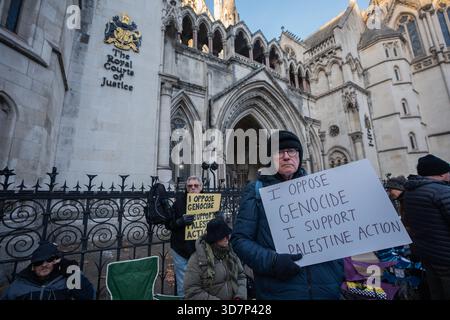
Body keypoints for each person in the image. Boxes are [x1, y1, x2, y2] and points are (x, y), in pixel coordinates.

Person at [231, 130, 344, 300]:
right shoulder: (256, 191)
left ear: (299, 156)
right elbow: (239, 240)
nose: (286, 156)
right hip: (279, 292)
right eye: (279, 152)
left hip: (326, 290)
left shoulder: (319, 190)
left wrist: (337, 271)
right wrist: (273, 262)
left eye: (292, 151)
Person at [403, 154, 450, 300]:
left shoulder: (409, 193)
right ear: (442, 173)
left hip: (428, 255)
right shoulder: (441, 192)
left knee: (437, 293)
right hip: (446, 257)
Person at [1, 241, 95, 300]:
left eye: (49, 260)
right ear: (32, 266)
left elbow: (87, 296)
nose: (44, 265)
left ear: (55, 262)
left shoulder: (65, 279)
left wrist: (72, 270)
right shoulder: (19, 286)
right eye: (39, 262)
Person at [184, 218, 247, 300]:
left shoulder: (230, 253)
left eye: (227, 235)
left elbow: (241, 276)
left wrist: (239, 296)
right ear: (213, 239)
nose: (226, 239)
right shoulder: (197, 259)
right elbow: (192, 291)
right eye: (222, 237)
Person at [165, 176, 202, 297]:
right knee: (183, 285)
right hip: (181, 250)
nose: (193, 188)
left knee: (201, 283)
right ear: (186, 188)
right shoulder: (179, 202)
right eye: (190, 186)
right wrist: (180, 221)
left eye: (196, 186)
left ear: (200, 187)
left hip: (201, 251)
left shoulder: (209, 202)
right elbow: (168, 224)